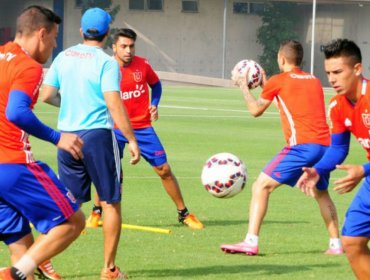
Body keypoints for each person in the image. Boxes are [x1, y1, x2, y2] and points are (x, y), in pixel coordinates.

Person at [41, 8, 140, 280]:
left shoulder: (64, 56)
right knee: (110, 202)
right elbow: (113, 103)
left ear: (82, 31)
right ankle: (109, 269)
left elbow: (47, 95)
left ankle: (42, 256)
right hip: (97, 136)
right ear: (108, 34)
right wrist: (131, 139)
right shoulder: (107, 62)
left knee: (69, 203)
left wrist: (69, 103)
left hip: (67, 136)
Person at [220, 40, 342, 256]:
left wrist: (243, 87)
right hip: (325, 147)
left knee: (261, 186)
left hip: (302, 146)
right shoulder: (313, 80)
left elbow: (255, 110)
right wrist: (264, 85)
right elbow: (286, 102)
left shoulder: (279, 80)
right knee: (321, 193)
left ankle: (250, 241)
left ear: (281, 58)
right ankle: (336, 245)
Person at [85, 28, 204, 230]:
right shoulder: (106, 67)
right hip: (114, 128)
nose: (128, 51)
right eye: (123, 46)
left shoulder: (143, 65)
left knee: (164, 169)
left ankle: (184, 214)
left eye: (131, 46)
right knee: (111, 171)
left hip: (142, 128)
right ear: (114, 47)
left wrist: (155, 104)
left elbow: (156, 86)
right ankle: (96, 211)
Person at [0, 5, 85, 280]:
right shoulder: (28, 66)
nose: (54, 44)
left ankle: (18, 271)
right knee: (73, 221)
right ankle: (13, 274)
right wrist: (57, 137)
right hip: (13, 166)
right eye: (54, 37)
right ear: (41, 33)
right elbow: (16, 111)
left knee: (22, 246)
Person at [297, 39, 370, 279]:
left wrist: (363, 169)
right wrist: (317, 170)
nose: (332, 79)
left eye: (338, 72)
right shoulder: (337, 105)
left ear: (357, 69)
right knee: (351, 241)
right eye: (328, 73)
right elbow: (338, 148)